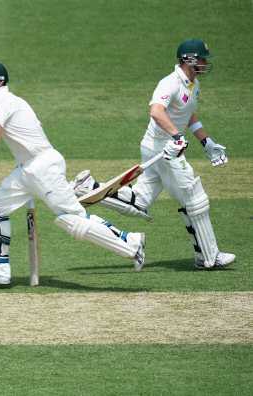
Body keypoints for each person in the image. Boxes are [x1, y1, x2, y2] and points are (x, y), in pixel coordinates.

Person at [0, 60, 146, 286]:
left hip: (42, 168)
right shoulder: (6, 101)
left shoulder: (1, 100)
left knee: (72, 220)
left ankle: (131, 243)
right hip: (27, 169)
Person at [73, 39, 235, 270]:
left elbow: (187, 114)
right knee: (195, 198)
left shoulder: (192, 84)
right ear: (189, 59)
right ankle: (209, 257)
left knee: (141, 200)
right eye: (201, 59)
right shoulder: (169, 83)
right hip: (164, 148)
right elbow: (156, 111)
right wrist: (176, 137)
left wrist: (206, 141)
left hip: (160, 146)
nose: (205, 63)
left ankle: (89, 187)